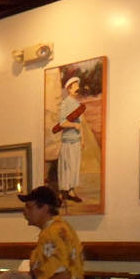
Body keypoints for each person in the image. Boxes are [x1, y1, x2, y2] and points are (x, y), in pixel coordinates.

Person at [52, 75, 85, 203]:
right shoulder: (65, 104)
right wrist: (74, 125)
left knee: (75, 166)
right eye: (75, 86)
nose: (77, 88)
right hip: (67, 141)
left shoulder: (77, 104)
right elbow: (62, 123)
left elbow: (80, 123)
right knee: (66, 167)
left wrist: (82, 139)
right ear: (70, 89)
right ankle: (62, 193)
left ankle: (71, 191)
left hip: (76, 141)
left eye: (78, 86)